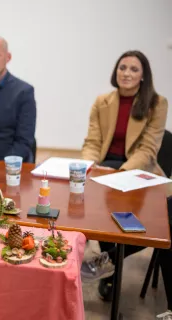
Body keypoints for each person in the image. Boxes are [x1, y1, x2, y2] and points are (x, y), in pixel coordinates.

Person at [80, 50, 168, 302]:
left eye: (133, 69)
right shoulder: (102, 101)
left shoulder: (157, 103)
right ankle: (108, 263)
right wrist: (89, 167)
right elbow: (93, 142)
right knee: (89, 205)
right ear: (115, 71)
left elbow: (148, 149)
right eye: (122, 67)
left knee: (152, 225)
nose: (126, 73)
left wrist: (118, 175)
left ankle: (109, 261)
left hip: (140, 170)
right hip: (105, 166)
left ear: (143, 76)